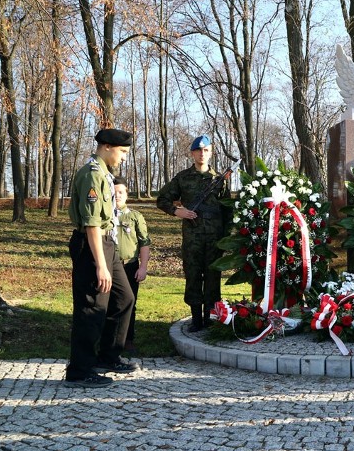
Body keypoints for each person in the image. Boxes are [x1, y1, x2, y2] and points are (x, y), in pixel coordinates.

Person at [65, 128, 137, 388]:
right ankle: (79, 370)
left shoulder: (106, 176)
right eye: (122, 152)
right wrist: (102, 266)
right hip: (92, 246)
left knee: (124, 298)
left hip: (108, 243)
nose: (124, 157)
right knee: (92, 307)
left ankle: (108, 356)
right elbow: (92, 223)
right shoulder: (93, 176)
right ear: (106, 146)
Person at [157, 135, 232, 332]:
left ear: (210, 152)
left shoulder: (220, 180)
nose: (202, 153)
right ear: (192, 153)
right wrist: (177, 211)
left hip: (215, 236)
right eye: (198, 150)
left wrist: (226, 238)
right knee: (193, 275)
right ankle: (196, 318)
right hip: (192, 236)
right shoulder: (183, 178)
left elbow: (227, 211)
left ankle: (210, 316)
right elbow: (162, 199)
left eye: (206, 150)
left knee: (213, 275)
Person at [113, 177, 151, 352]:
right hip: (110, 266)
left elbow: (144, 243)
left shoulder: (135, 216)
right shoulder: (105, 216)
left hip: (129, 266)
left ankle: (128, 339)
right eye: (114, 192)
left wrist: (143, 267)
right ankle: (109, 340)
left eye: (121, 192)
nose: (117, 195)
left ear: (127, 194)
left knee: (129, 303)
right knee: (108, 304)